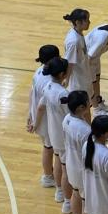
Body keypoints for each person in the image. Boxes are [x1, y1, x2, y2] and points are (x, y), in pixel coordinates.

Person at [37, 56, 70, 206]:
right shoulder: (63, 94)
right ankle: (67, 201)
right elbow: (71, 114)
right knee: (65, 167)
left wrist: (36, 124)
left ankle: (59, 191)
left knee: (58, 160)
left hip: (53, 132)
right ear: (62, 74)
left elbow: (40, 107)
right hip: (63, 134)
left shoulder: (48, 86)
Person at [62, 90, 93, 214]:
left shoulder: (66, 119)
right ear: (81, 107)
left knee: (75, 193)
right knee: (86, 202)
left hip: (71, 165)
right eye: (88, 101)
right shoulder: (85, 130)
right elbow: (90, 156)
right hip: (82, 169)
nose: (90, 102)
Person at [26, 44, 59, 190]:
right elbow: (41, 106)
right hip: (45, 120)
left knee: (48, 146)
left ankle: (50, 173)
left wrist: (30, 113)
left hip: (38, 116)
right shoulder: (49, 81)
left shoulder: (39, 71)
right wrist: (35, 123)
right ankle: (48, 176)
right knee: (48, 147)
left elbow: (31, 92)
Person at [63, 8, 92, 115]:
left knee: (87, 108)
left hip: (84, 76)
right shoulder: (73, 41)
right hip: (78, 82)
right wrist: (66, 79)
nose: (89, 22)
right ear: (78, 22)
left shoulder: (78, 33)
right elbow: (70, 62)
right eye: (87, 20)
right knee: (83, 110)